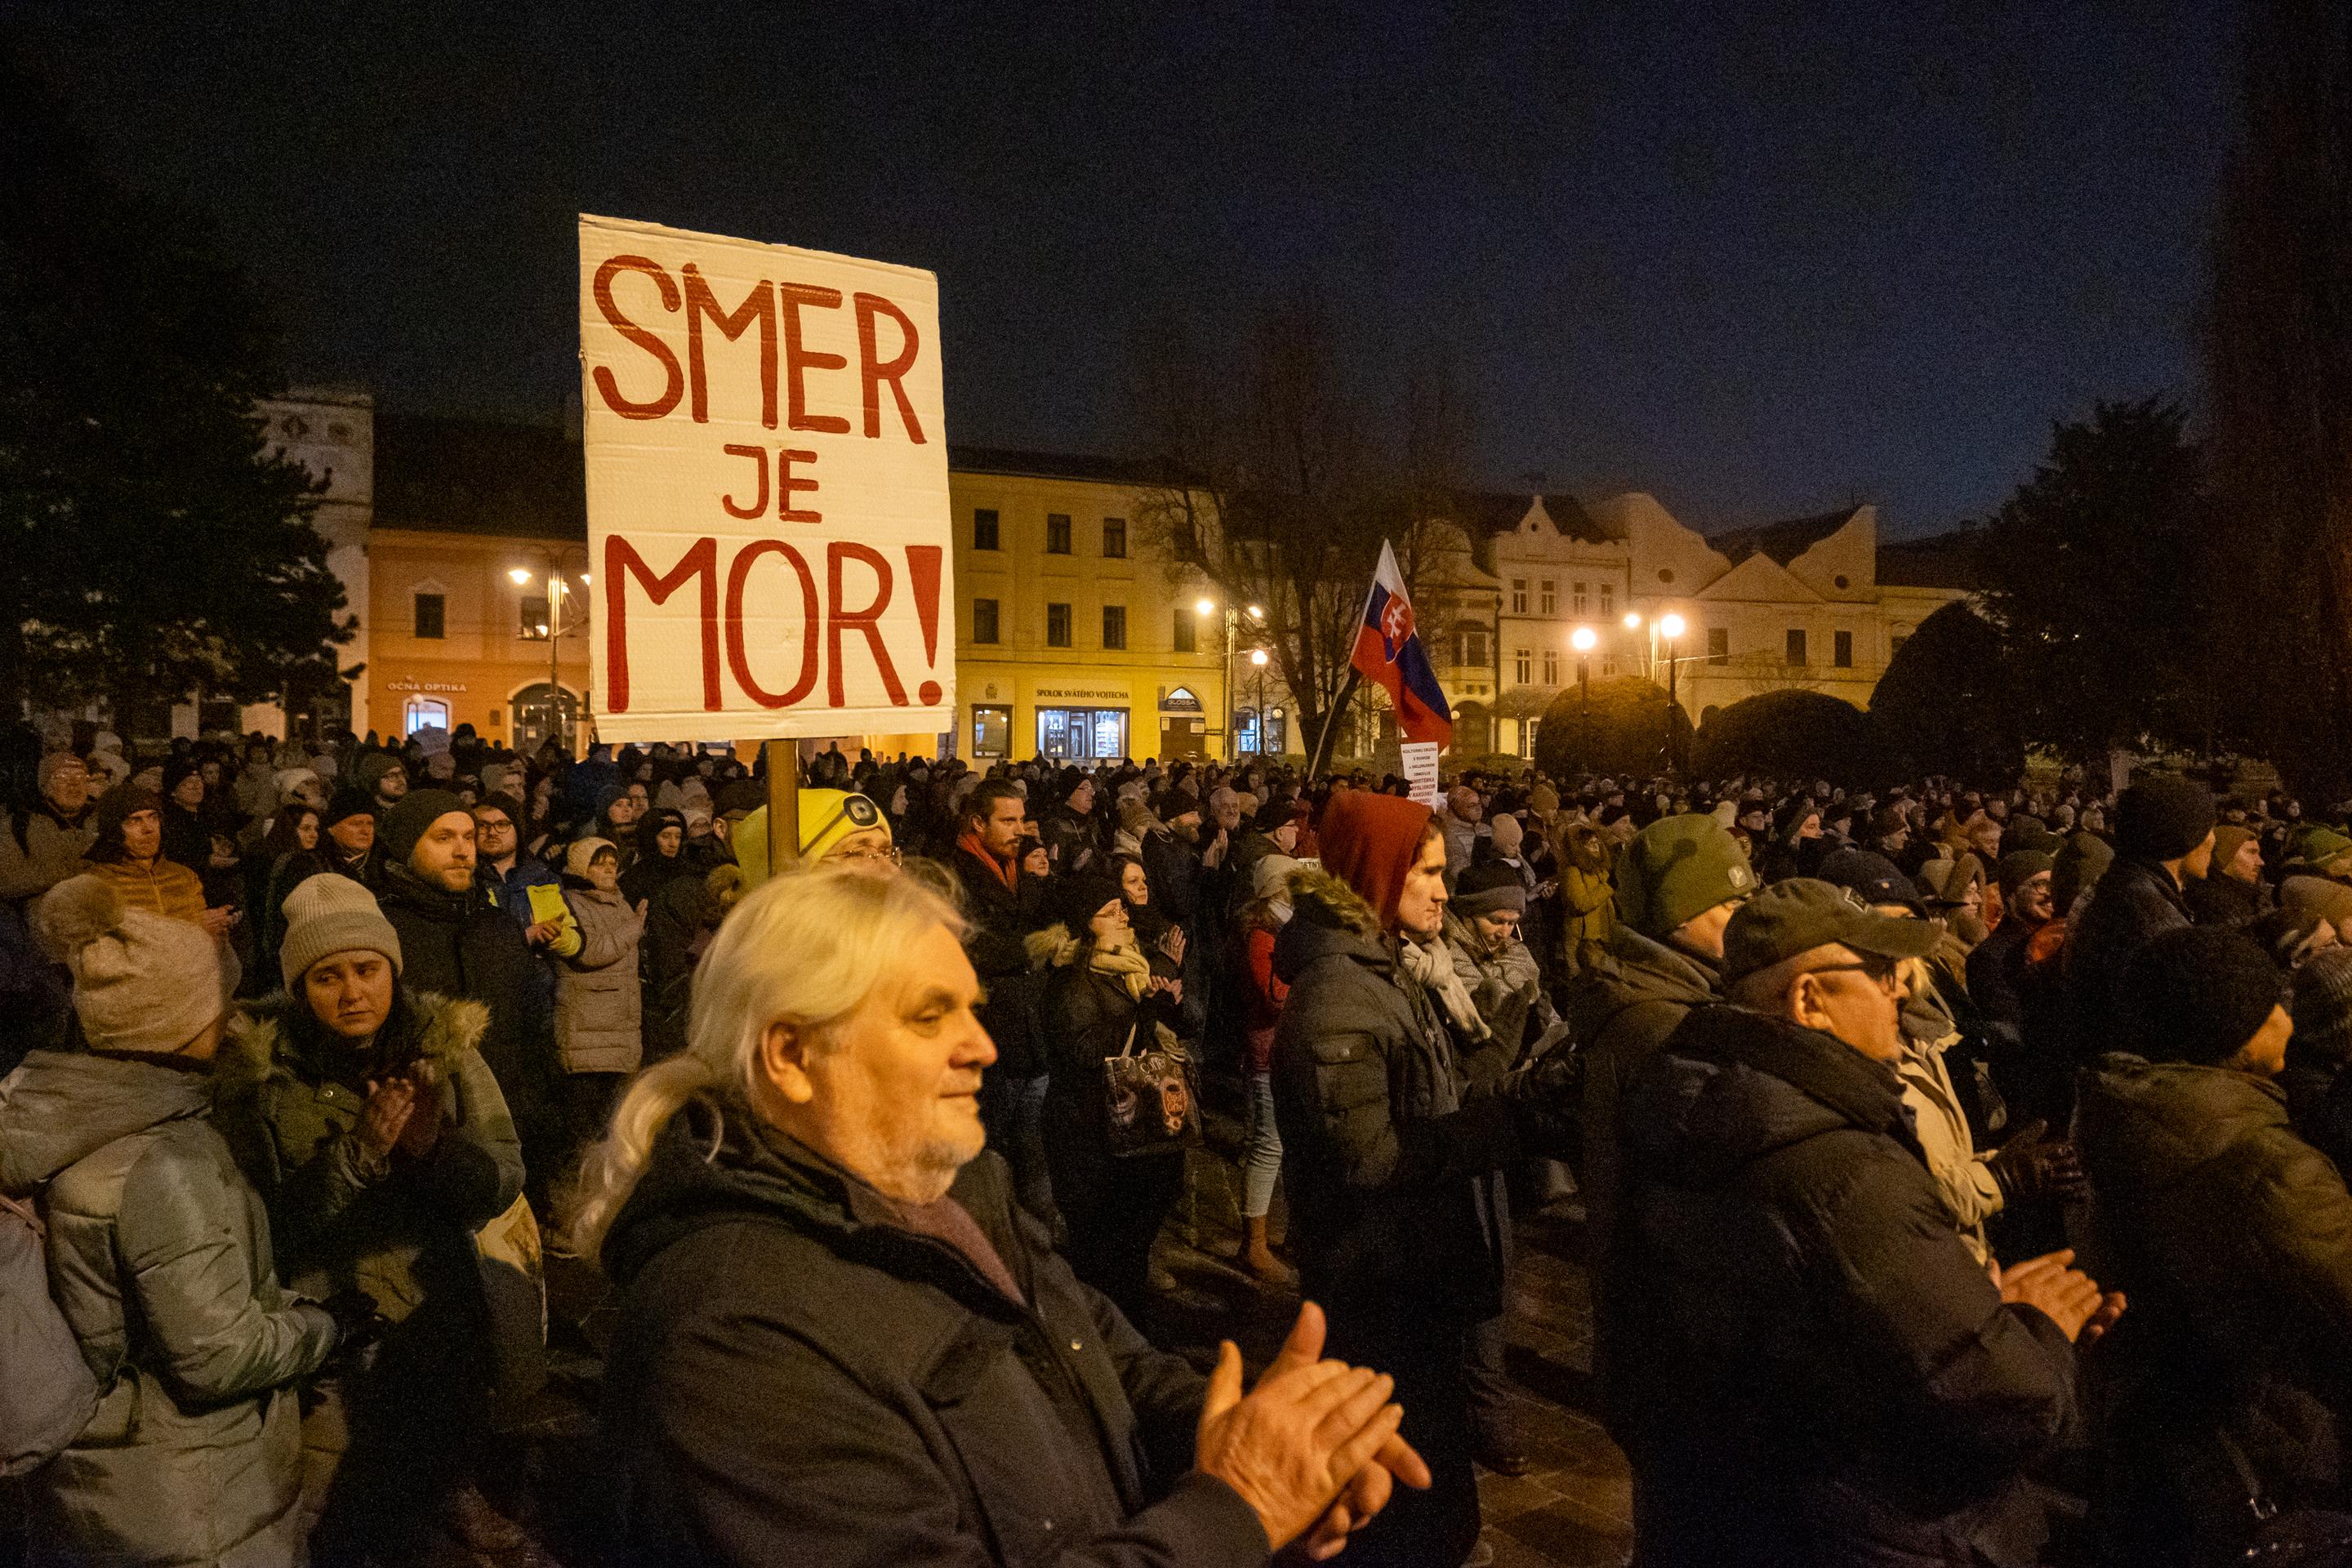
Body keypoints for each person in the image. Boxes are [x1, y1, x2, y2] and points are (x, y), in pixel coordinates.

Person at [579, 866, 1430, 1566]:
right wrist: (1237, 1508)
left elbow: (1096, 1357)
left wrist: (1258, 1428)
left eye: (971, 1008)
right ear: (794, 1056)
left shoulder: (957, 1195)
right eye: (928, 1016)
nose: (981, 1045)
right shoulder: (733, 1338)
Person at [1608, 880, 2113, 1566]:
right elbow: (2002, 1397)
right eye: (1877, 973)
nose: (1901, 988)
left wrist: (1965, 1301)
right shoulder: (1837, 1162)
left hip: (1740, 1511)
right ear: (1809, 998)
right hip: (1866, 1525)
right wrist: (2038, 1329)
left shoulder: (1692, 1095)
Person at [5, 874, 344, 1567]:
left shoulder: (62, 1123)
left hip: (104, 1483)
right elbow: (215, 1356)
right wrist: (321, 1327)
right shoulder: (163, 1161)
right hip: (196, 1499)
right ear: (183, 1021)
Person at [1272, 791, 1561, 1567]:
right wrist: (1503, 1130)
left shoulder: (1390, 968)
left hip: (1412, 1275)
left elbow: (1440, 1094)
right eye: (1426, 871)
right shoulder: (1339, 992)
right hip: (1378, 1285)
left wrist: (1512, 1051)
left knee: (1431, 1488)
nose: (1444, 888)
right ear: (1378, 874)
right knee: (1397, 1509)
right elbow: (1370, 1159)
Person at [216, 872, 532, 1563]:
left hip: (436, 1312)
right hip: (328, 1331)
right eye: (328, 976)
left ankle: (454, 1496)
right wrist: (355, 1159)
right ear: (299, 987)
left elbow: (502, 1177)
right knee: (337, 1514)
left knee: (426, 1484)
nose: (353, 992)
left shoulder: (445, 1051)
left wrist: (433, 1149)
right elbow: (254, 1225)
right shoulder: (260, 1076)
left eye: (367, 970)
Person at [2072, 924, 2352, 1566]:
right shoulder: (2263, 1167)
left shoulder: (2133, 1114)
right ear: (2235, 1030)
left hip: (2174, 1428)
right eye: (2273, 1005)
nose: (2288, 1015)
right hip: (2278, 1431)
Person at [1566, 813, 1753, 1269]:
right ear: (1678, 917)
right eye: (1731, 905)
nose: (1748, 919)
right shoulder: (1660, 1024)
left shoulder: (1691, 992)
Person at [372, 788, 559, 1200]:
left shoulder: (497, 927)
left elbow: (529, 1029)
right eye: (443, 838)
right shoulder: (380, 932)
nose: (462, 851)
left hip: (506, 1137)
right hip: (419, 1151)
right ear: (407, 846)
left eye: (468, 837)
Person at [1032, 871, 1190, 1320]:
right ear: (1086, 923)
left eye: (1123, 906)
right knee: (1101, 1255)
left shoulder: (1129, 965)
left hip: (1129, 1131)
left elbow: (1158, 1028)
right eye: (1110, 910)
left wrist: (1168, 1004)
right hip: (1089, 1136)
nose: (1124, 914)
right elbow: (1086, 1051)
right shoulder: (1072, 982)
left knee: (1129, 1249)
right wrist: (1146, 1012)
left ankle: (1130, 1326)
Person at [953, 779, 1054, 1223]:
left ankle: (1035, 1231)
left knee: (1033, 1143)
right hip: (991, 1032)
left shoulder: (1015, 867)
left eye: (1021, 819)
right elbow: (967, 948)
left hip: (1029, 1032)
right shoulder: (956, 874)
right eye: (1007, 821)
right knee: (988, 1145)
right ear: (978, 823)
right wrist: (1030, 946)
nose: (1019, 830)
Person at [2067, 776, 2214, 1060]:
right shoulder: (2151, 916)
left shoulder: (2121, 886)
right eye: (2208, 828)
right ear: (2182, 836)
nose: (2213, 839)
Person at [553, 836, 647, 1173]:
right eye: (599, 862)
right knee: (584, 1137)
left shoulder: (619, 903)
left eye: (613, 863)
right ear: (581, 867)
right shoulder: (572, 903)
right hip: (587, 1039)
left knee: (613, 1133)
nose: (609, 868)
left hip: (617, 1037)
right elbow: (590, 951)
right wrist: (634, 928)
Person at [1233, 852, 1299, 1288]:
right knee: (1268, 1145)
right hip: (1267, 1051)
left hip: (1285, 1049)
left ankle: (1281, 1233)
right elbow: (1274, 995)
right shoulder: (1263, 934)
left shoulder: (1285, 928)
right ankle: (1253, 1245)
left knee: (1285, 1143)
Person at [0, 751, 96, 913]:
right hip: (42, 914)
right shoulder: (19, 824)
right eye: (62, 776)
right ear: (45, 786)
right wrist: (72, 871)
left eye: (80, 776)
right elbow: (7, 880)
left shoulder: (102, 820)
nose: (73, 783)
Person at [2186, 822, 2268, 926]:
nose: (2261, 862)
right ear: (2224, 855)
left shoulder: (2251, 894)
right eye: (2251, 852)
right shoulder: (2210, 905)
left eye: (2258, 854)